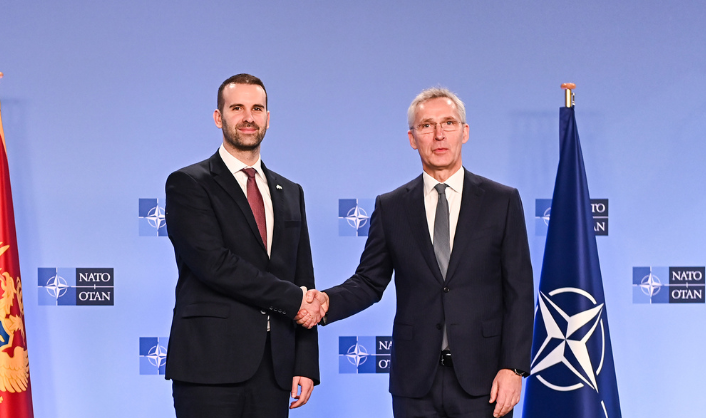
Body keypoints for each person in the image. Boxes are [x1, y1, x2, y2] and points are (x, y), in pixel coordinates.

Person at [298, 87, 534, 418]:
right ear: (412, 138)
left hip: (485, 380)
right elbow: (369, 281)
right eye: (426, 126)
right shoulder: (392, 206)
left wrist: (514, 367)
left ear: (465, 132)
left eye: (449, 123)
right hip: (415, 383)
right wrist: (327, 302)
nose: (439, 135)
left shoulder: (501, 201)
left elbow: (520, 291)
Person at [165, 73, 322, 418]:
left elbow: (303, 276)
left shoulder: (291, 192)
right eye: (237, 108)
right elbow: (214, 264)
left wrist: (305, 361)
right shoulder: (189, 183)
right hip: (209, 365)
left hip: (275, 367)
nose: (248, 117)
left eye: (257, 108)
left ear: (268, 118)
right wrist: (294, 299)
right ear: (218, 117)